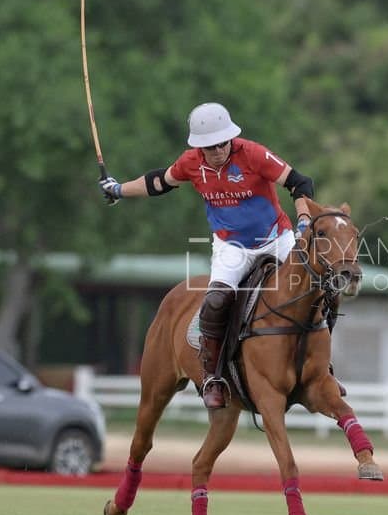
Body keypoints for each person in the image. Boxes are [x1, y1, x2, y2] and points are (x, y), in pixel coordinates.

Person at [98, 102, 339, 409]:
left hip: (276, 238)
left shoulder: (252, 154)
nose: (217, 151)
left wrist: (303, 217)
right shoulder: (190, 163)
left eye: (222, 143)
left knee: (322, 289)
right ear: (199, 147)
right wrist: (118, 190)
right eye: (210, 147)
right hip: (232, 246)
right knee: (214, 302)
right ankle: (213, 378)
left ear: (230, 138)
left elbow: (300, 183)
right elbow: (159, 182)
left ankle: (322, 368)